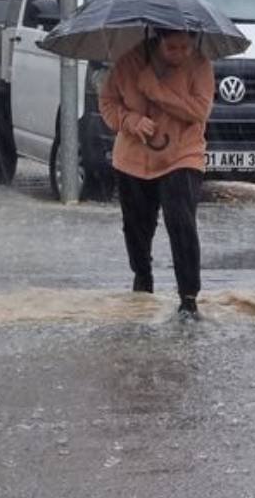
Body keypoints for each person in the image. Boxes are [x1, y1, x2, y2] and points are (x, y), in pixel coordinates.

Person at [99, 30, 215, 321]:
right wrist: (130, 120)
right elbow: (108, 102)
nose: (181, 53)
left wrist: (156, 91)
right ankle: (142, 278)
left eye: (186, 46)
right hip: (133, 159)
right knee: (136, 226)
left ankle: (188, 298)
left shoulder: (200, 66)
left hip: (182, 154)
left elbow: (199, 111)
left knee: (181, 222)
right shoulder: (129, 62)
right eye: (173, 47)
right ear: (158, 41)